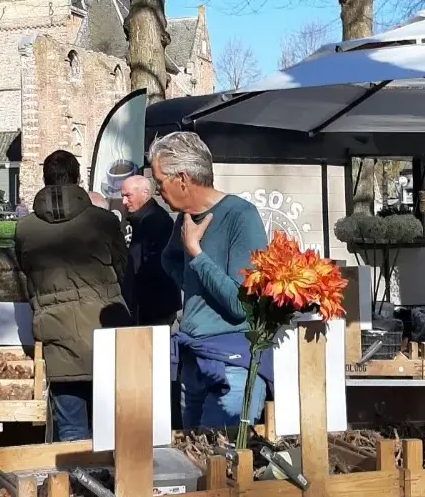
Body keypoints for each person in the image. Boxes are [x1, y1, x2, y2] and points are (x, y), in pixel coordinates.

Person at [151, 131, 273, 429]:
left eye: (159, 182)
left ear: (182, 178)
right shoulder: (185, 218)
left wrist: (196, 253)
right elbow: (169, 260)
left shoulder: (241, 216)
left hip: (233, 364)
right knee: (193, 463)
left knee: (221, 466)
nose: (157, 191)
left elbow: (241, 304)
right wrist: (198, 286)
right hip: (193, 358)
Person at [14, 150, 132, 441]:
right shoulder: (103, 221)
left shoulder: (25, 228)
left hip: (56, 336)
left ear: (44, 180)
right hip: (106, 333)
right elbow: (123, 267)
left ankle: (77, 486)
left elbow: (26, 272)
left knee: (70, 432)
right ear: (79, 179)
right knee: (114, 430)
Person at [120, 175, 180, 326]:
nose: (124, 202)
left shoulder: (154, 220)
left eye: (128, 196)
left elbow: (154, 266)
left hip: (155, 308)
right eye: (123, 196)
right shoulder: (142, 219)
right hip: (150, 307)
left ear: (145, 193)